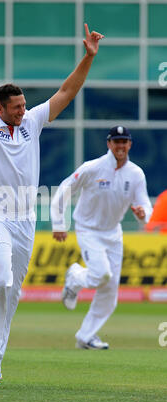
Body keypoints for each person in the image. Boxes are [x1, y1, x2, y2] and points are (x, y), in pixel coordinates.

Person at [0, 24, 104, 387]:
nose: (23, 111)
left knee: (13, 290)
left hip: (24, 218)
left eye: (24, 106)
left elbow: (67, 91)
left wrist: (88, 57)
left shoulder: (31, 121)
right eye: (16, 107)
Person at [51, 126, 153, 350]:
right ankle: (76, 275)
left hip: (113, 233)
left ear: (130, 144)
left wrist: (144, 214)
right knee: (101, 274)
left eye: (124, 142)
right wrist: (59, 223)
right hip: (88, 229)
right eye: (116, 141)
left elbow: (145, 203)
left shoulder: (136, 174)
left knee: (110, 291)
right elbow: (65, 188)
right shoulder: (93, 168)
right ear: (109, 144)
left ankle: (85, 337)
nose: (120, 146)